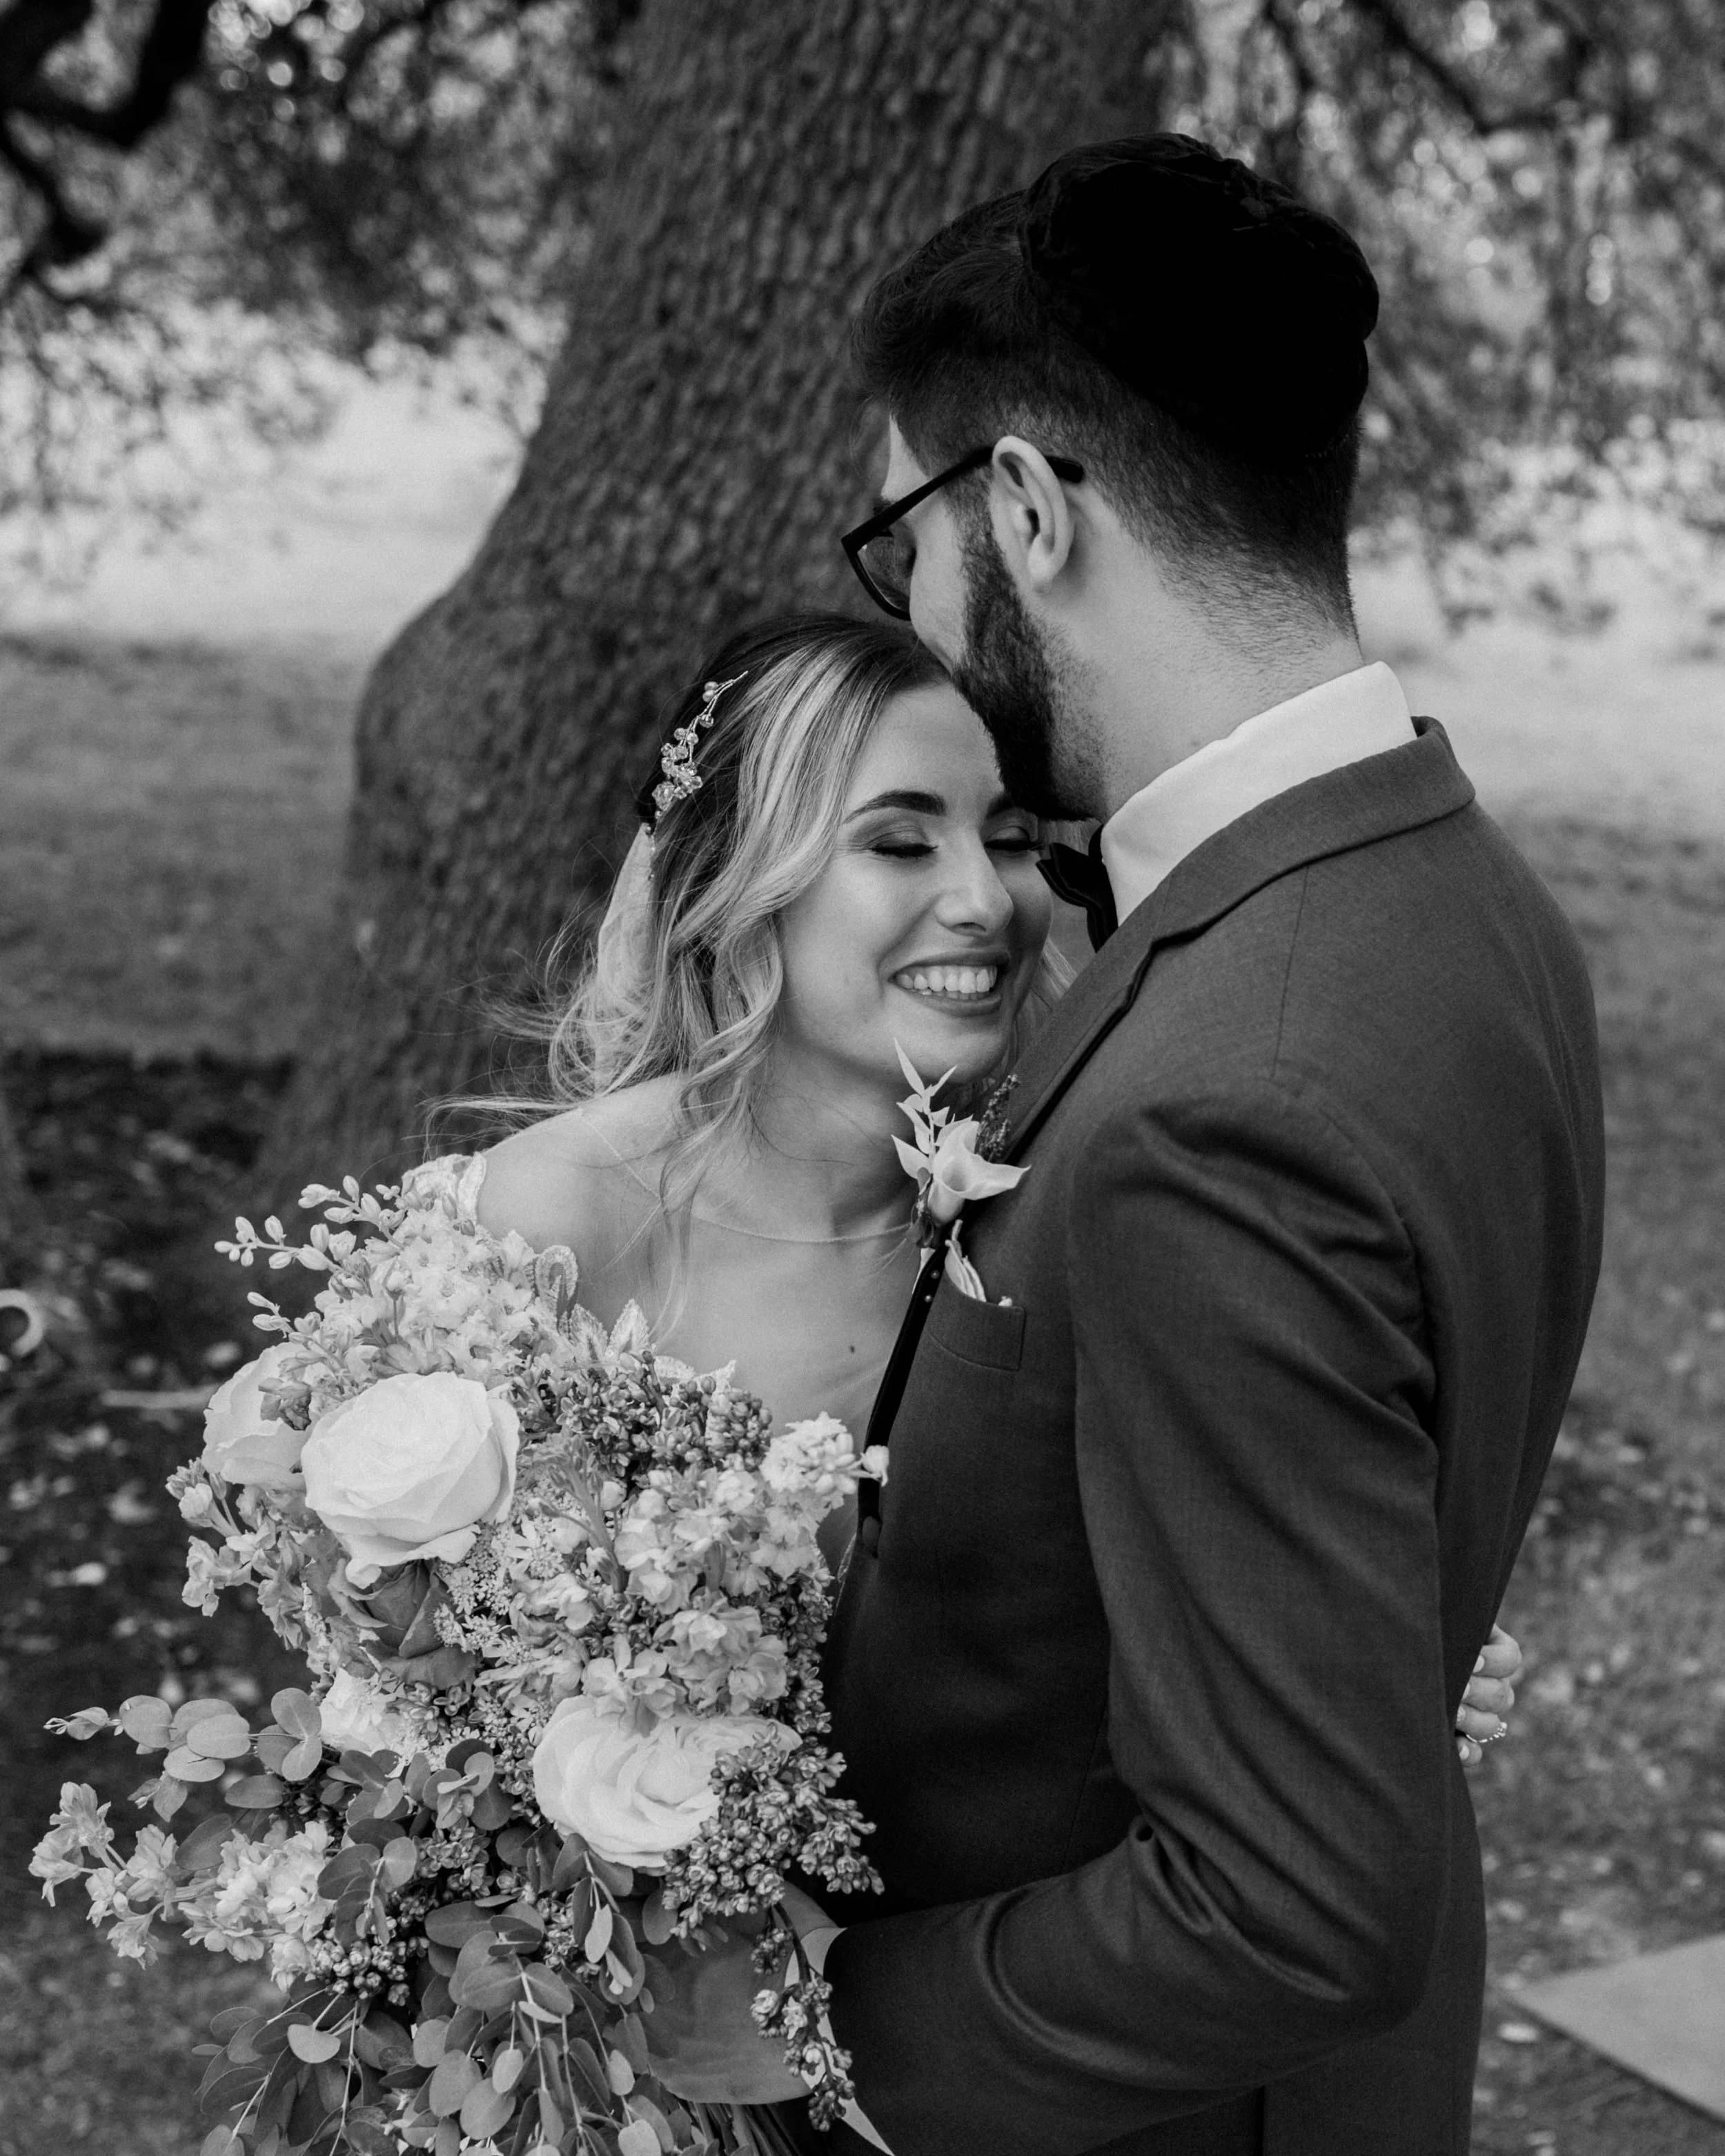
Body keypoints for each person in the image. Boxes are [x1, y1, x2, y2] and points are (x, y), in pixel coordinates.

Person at [644, 138, 1602, 2155]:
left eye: (896, 533)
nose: (906, 601)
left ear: (1020, 506)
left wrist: (825, 2019)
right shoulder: (1456, 897)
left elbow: (1287, 1894)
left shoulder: (1222, 1094)